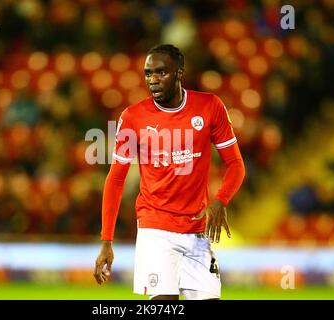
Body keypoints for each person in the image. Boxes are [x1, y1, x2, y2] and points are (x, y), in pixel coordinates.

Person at [94, 44, 246, 300]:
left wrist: (221, 200)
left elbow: (236, 165)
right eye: (148, 74)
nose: (153, 80)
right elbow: (116, 178)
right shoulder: (134, 117)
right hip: (156, 231)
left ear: (179, 73)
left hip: (198, 231)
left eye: (161, 72)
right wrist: (106, 240)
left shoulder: (210, 107)